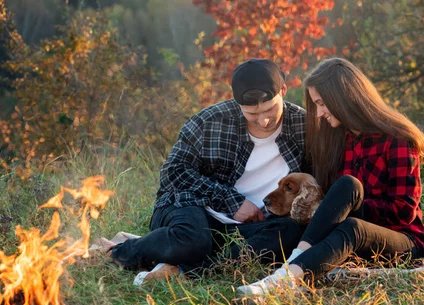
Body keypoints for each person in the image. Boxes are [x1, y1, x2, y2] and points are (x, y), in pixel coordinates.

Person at [236, 57, 424, 296]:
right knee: (339, 198)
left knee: (351, 215)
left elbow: (404, 211)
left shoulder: (398, 140)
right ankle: (294, 267)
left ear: (343, 98)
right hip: (348, 236)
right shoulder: (339, 139)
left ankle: (281, 279)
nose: (319, 113)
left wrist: (348, 208)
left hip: (401, 241)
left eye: (321, 103)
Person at [104, 59, 307, 278]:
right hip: (192, 208)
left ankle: (184, 267)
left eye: (269, 109)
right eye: (252, 114)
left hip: (253, 226)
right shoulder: (210, 120)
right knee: (193, 240)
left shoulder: (303, 125)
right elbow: (173, 172)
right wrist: (232, 202)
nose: (264, 121)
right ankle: (114, 252)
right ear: (238, 104)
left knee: (289, 232)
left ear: (284, 90)